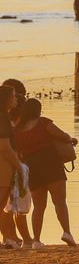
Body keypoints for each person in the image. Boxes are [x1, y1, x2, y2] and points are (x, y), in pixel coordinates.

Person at [12, 97, 76, 247]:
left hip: (31, 168)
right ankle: (67, 232)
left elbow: (16, 151)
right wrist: (71, 139)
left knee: (39, 206)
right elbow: (63, 136)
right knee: (59, 202)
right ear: (37, 110)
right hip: (51, 164)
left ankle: (36, 240)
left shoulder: (17, 130)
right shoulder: (43, 123)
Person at [0, 79, 26, 249]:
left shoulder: (5, 117)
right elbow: (4, 146)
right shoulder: (2, 118)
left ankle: (9, 238)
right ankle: (10, 238)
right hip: (4, 166)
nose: (16, 100)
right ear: (8, 99)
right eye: (14, 97)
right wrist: (19, 167)